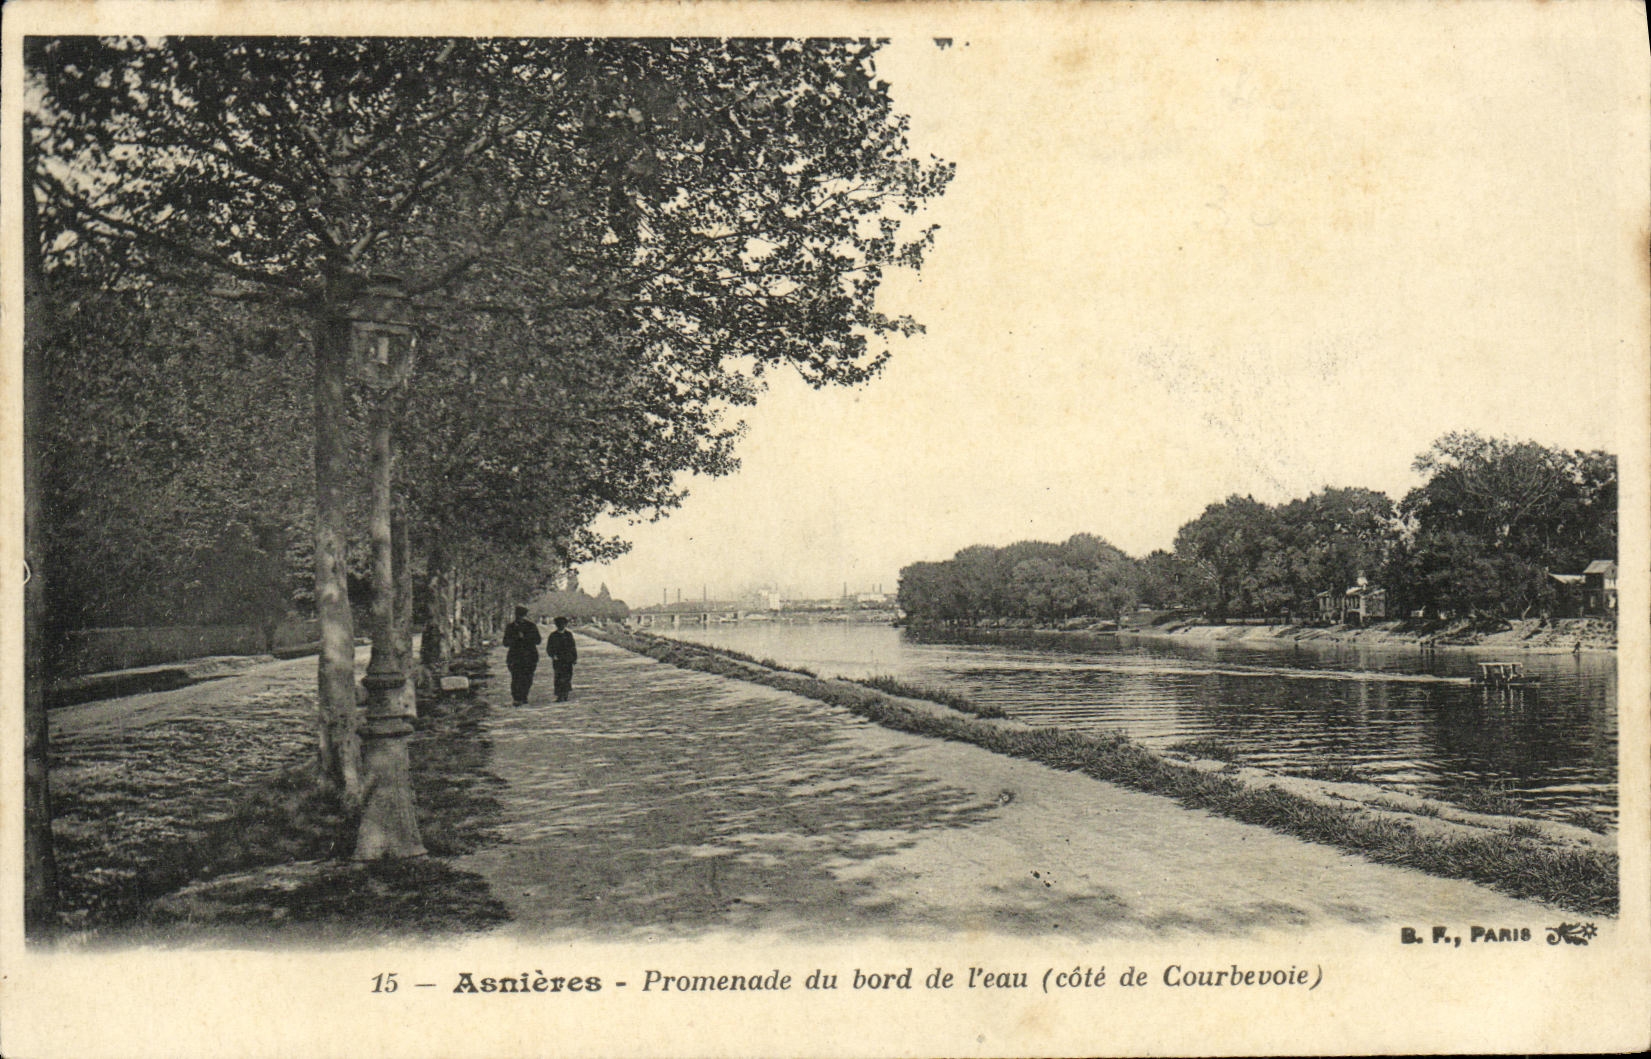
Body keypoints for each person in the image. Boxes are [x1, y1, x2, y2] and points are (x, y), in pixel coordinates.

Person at [502, 605, 541, 705]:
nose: (520, 617)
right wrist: (515, 638)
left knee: (528, 677)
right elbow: (505, 643)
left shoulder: (531, 626)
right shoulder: (510, 627)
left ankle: (524, 696)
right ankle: (517, 698)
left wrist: (525, 638)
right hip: (515, 656)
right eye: (518, 615)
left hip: (529, 656)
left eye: (522, 615)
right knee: (516, 677)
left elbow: (538, 640)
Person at [546, 616, 578, 702]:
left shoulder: (568, 635)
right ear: (556, 625)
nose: (561, 626)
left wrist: (574, 658)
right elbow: (549, 648)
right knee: (558, 677)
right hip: (558, 660)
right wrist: (553, 655)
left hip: (568, 659)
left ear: (565, 625)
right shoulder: (553, 636)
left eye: (563, 624)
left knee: (567, 676)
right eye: (559, 624)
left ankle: (565, 693)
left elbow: (573, 647)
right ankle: (559, 695)